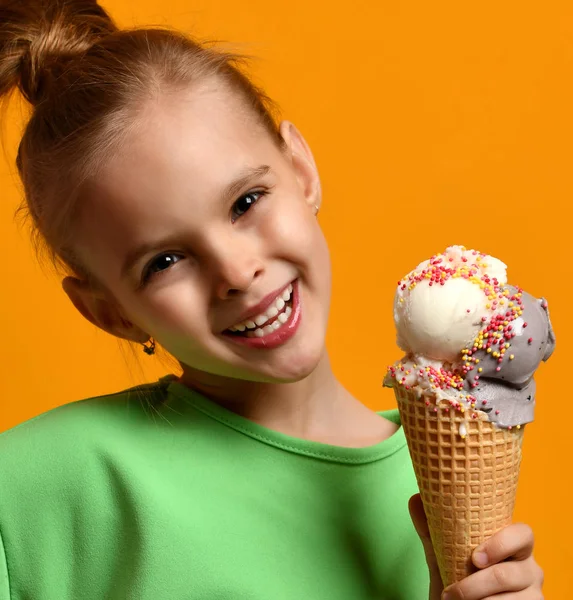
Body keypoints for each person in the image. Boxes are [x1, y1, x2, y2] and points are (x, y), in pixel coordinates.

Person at [0, 1, 544, 598]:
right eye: (165, 261)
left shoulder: (448, 501)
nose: (236, 272)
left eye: (245, 202)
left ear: (301, 169)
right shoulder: (36, 490)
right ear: (111, 312)